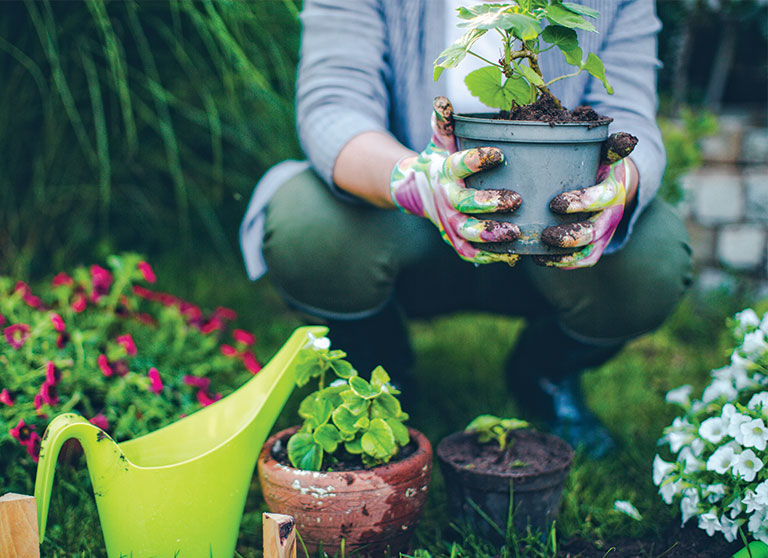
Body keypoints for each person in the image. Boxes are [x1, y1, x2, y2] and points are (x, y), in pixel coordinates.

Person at [239, 0, 693, 455]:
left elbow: (629, 112)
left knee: (652, 257)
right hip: (401, 221)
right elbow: (333, 106)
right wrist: (417, 182)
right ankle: (378, 363)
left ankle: (546, 370)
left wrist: (618, 184)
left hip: (551, 223)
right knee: (307, 224)